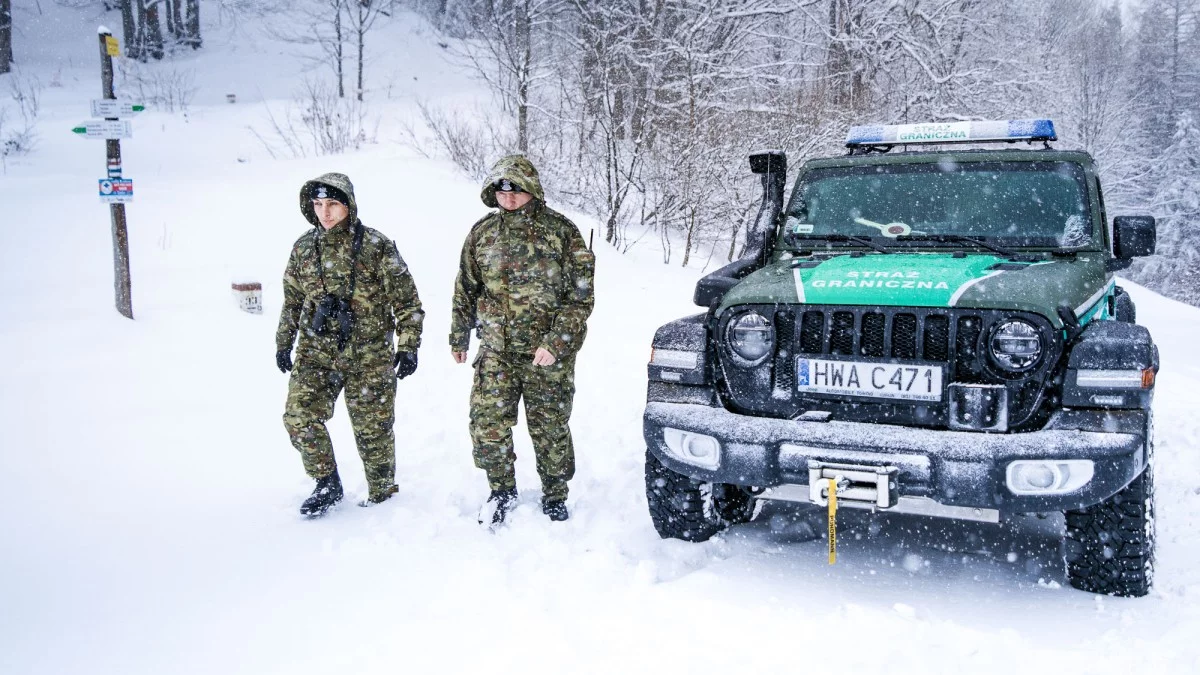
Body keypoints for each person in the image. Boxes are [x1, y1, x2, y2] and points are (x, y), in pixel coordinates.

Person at [450, 155, 596, 526]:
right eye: (502, 188)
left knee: (549, 428)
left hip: (545, 354)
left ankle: (555, 492)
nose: (509, 196)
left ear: (531, 188)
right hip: (496, 350)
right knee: (487, 425)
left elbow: (580, 299)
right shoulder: (482, 233)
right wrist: (459, 333)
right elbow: (465, 287)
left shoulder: (562, 232)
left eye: (516, 188)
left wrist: (556, 343)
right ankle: (501, 490)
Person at [276, 173, 424, 517]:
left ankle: (382, 495)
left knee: (373, 431)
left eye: (332, 205)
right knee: (299, 416)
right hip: (316, 353)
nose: (324, 213)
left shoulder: (375, 246)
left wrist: (409, 344)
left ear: (348, 206)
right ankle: (327, 481)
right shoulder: (303, 248)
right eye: (318, 205)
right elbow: (292, 301)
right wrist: (284, 342)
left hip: (369, 354)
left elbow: (407, 302)